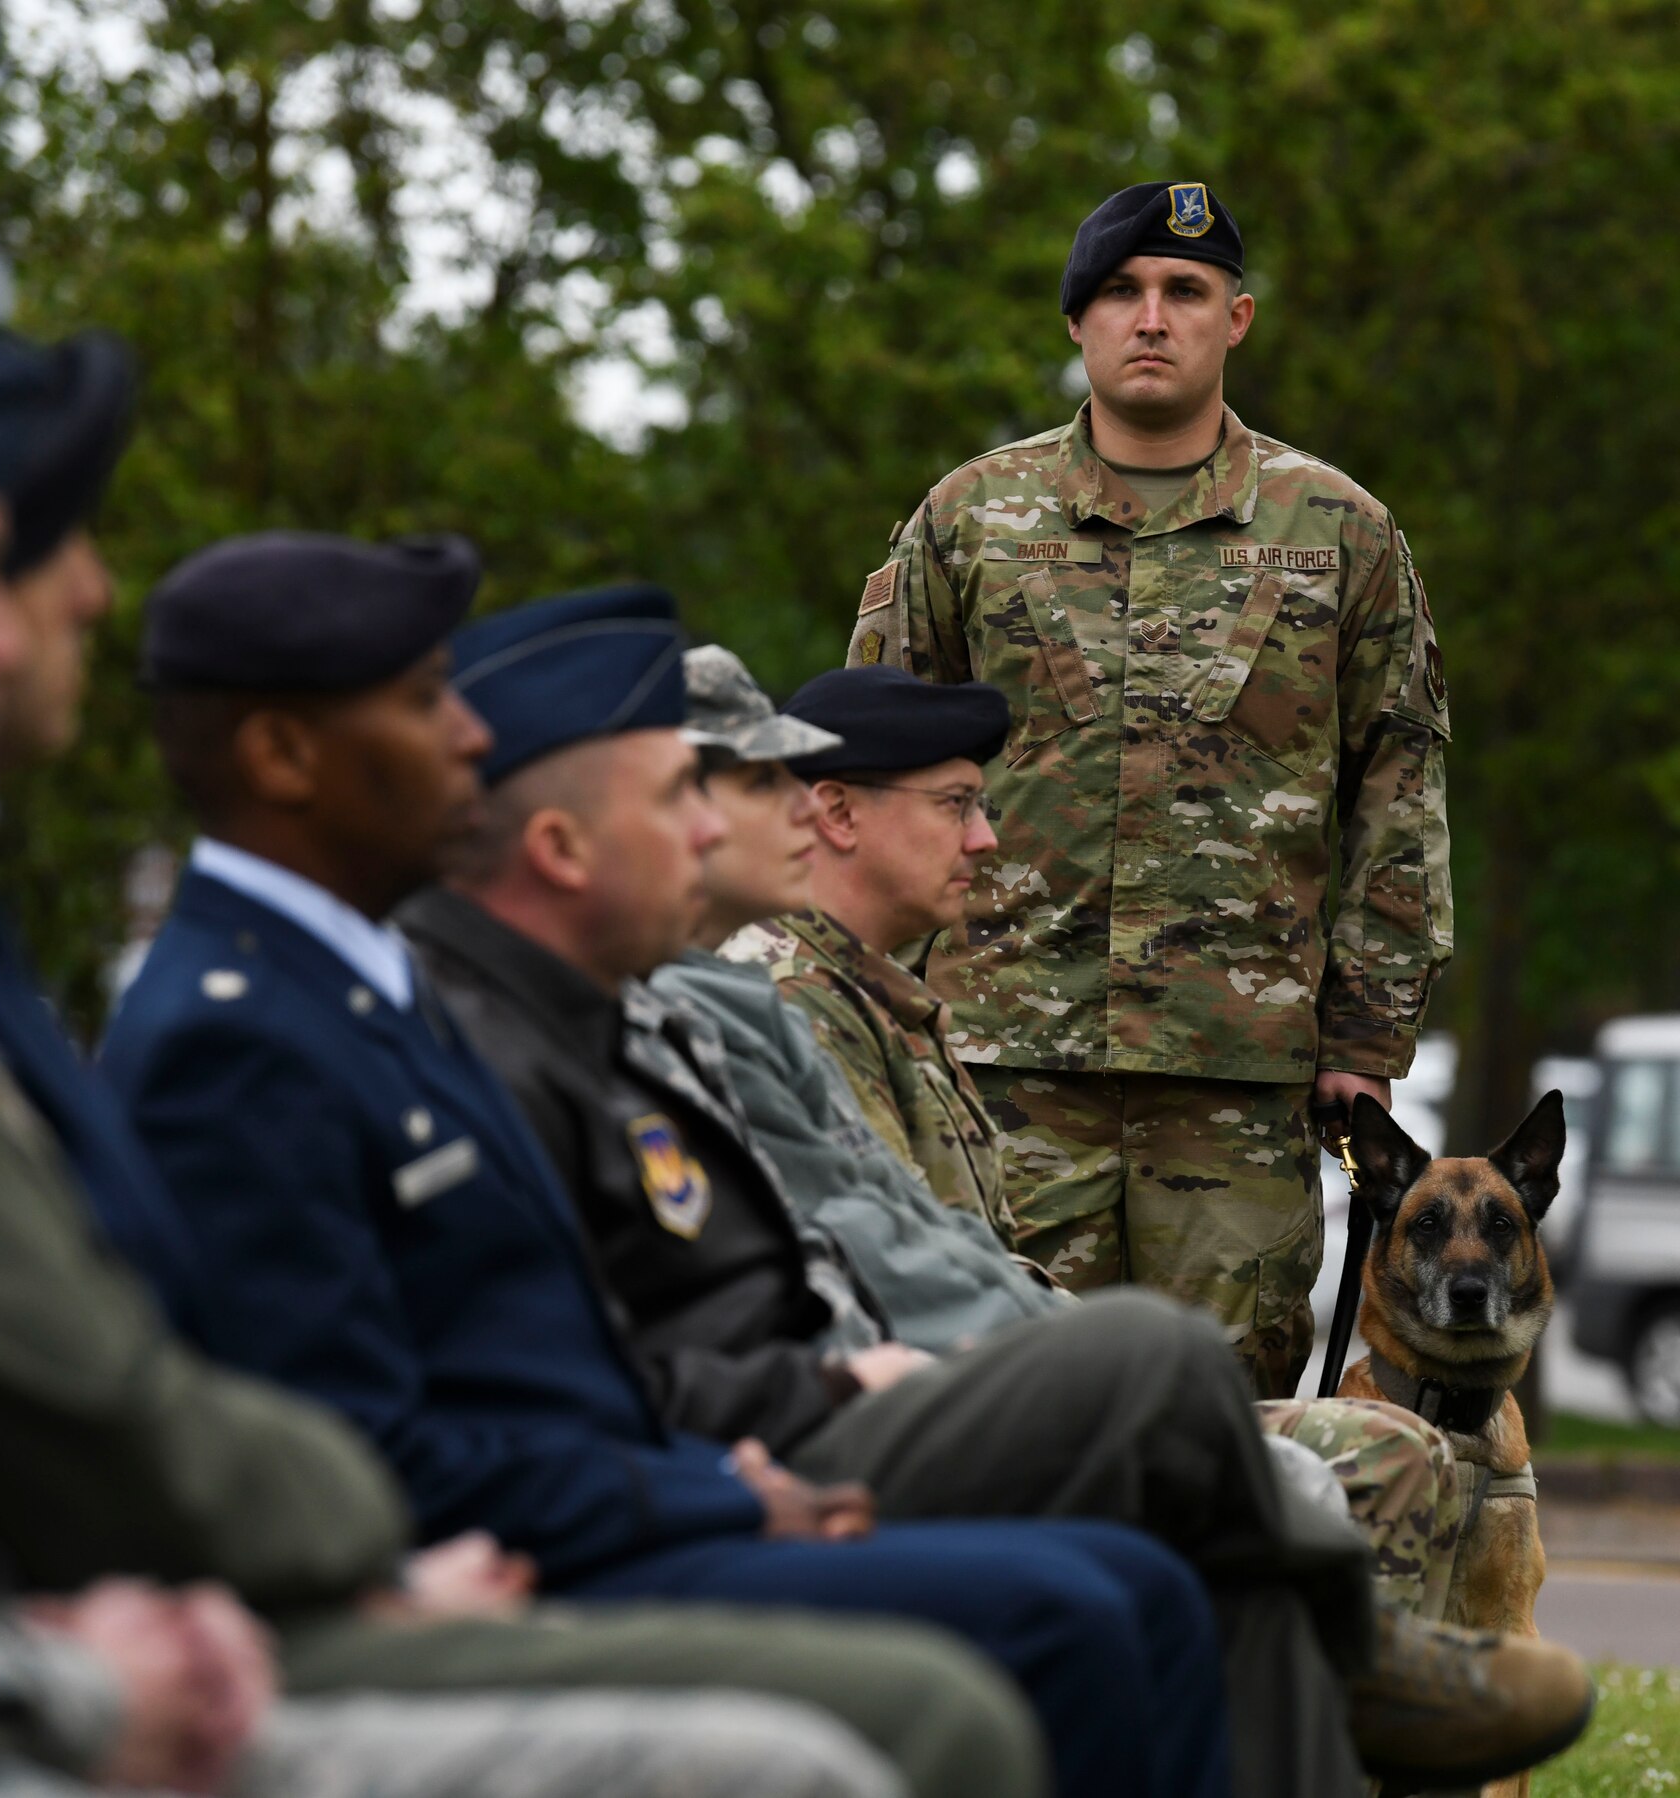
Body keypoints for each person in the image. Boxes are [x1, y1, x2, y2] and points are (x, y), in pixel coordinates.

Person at [0, 265, 1045, 1798]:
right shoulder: (182, 1014)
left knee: (1106, 1533)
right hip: (138, 1632)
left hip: (281, 1573)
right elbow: (45, 1419)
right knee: (926, 1702)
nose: (469, 735)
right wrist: (500, 1524)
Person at [398, 591, 1586, 1795]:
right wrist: (809, 1403)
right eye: (700, 797)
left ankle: (1350, 1665)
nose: (987, 840)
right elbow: (763, 1283)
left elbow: (850, 1241)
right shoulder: (679, 1007)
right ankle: (1361, 1652)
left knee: (1187, 1470)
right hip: (781, 1427)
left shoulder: (685, 1010)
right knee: (1155, 1387)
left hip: (817, 1395)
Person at [105, 545, 1242, 1798]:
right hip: (532, 1553)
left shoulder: (363, 986)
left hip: (628, 1488)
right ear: (281, 758)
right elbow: (360, 1443)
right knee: (1048, 1624)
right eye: (426, 699)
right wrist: (704, 1494)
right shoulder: (241, 1030)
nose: (468, 731)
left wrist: (702, 1478)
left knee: (1123, 1587)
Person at [686, 651, 1464, 1625]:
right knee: (1371, 1459)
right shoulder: (794, 1000)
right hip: (917, 1411)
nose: (984, 840)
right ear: (840, 813)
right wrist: (1101, 1366)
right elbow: (888, 1273)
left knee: (1376, 1444)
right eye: (955, 804)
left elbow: (950, 1253)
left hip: (963, 1382)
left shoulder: (874, 996)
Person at [852, 181, 1452, 1397]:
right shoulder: (970, 521)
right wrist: (870, 999)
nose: (1150, 316)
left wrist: (1366, 1032)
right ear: (1075, 324)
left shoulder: (1337, 530)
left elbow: (1397, 780)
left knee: (1215, 1421)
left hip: (1233, 1078)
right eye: (1118, 292)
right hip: (1001, 1056)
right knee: (993, 1400)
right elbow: (866, 764)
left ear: (1235, 319)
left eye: (1183, 291)